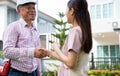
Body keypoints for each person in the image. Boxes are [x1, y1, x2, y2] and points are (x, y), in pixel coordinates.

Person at [3, 0, 48, 76]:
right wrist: (32, 52)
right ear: (18, 10)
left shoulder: (35, 30)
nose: (32, 10)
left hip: (33, 73)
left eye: (33, 8)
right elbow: (7, 51)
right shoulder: (13, 27)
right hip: (16, 72)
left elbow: (37, 56)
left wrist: (39, 73)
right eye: (28, 8)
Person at [48, 0, 92, 76]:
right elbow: (66, 59)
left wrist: (56, 48)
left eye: (66, 10)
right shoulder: (83, 31)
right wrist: (49, 53)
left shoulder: (74, 32)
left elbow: (70, 63)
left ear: (71, 10)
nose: (65, 13)